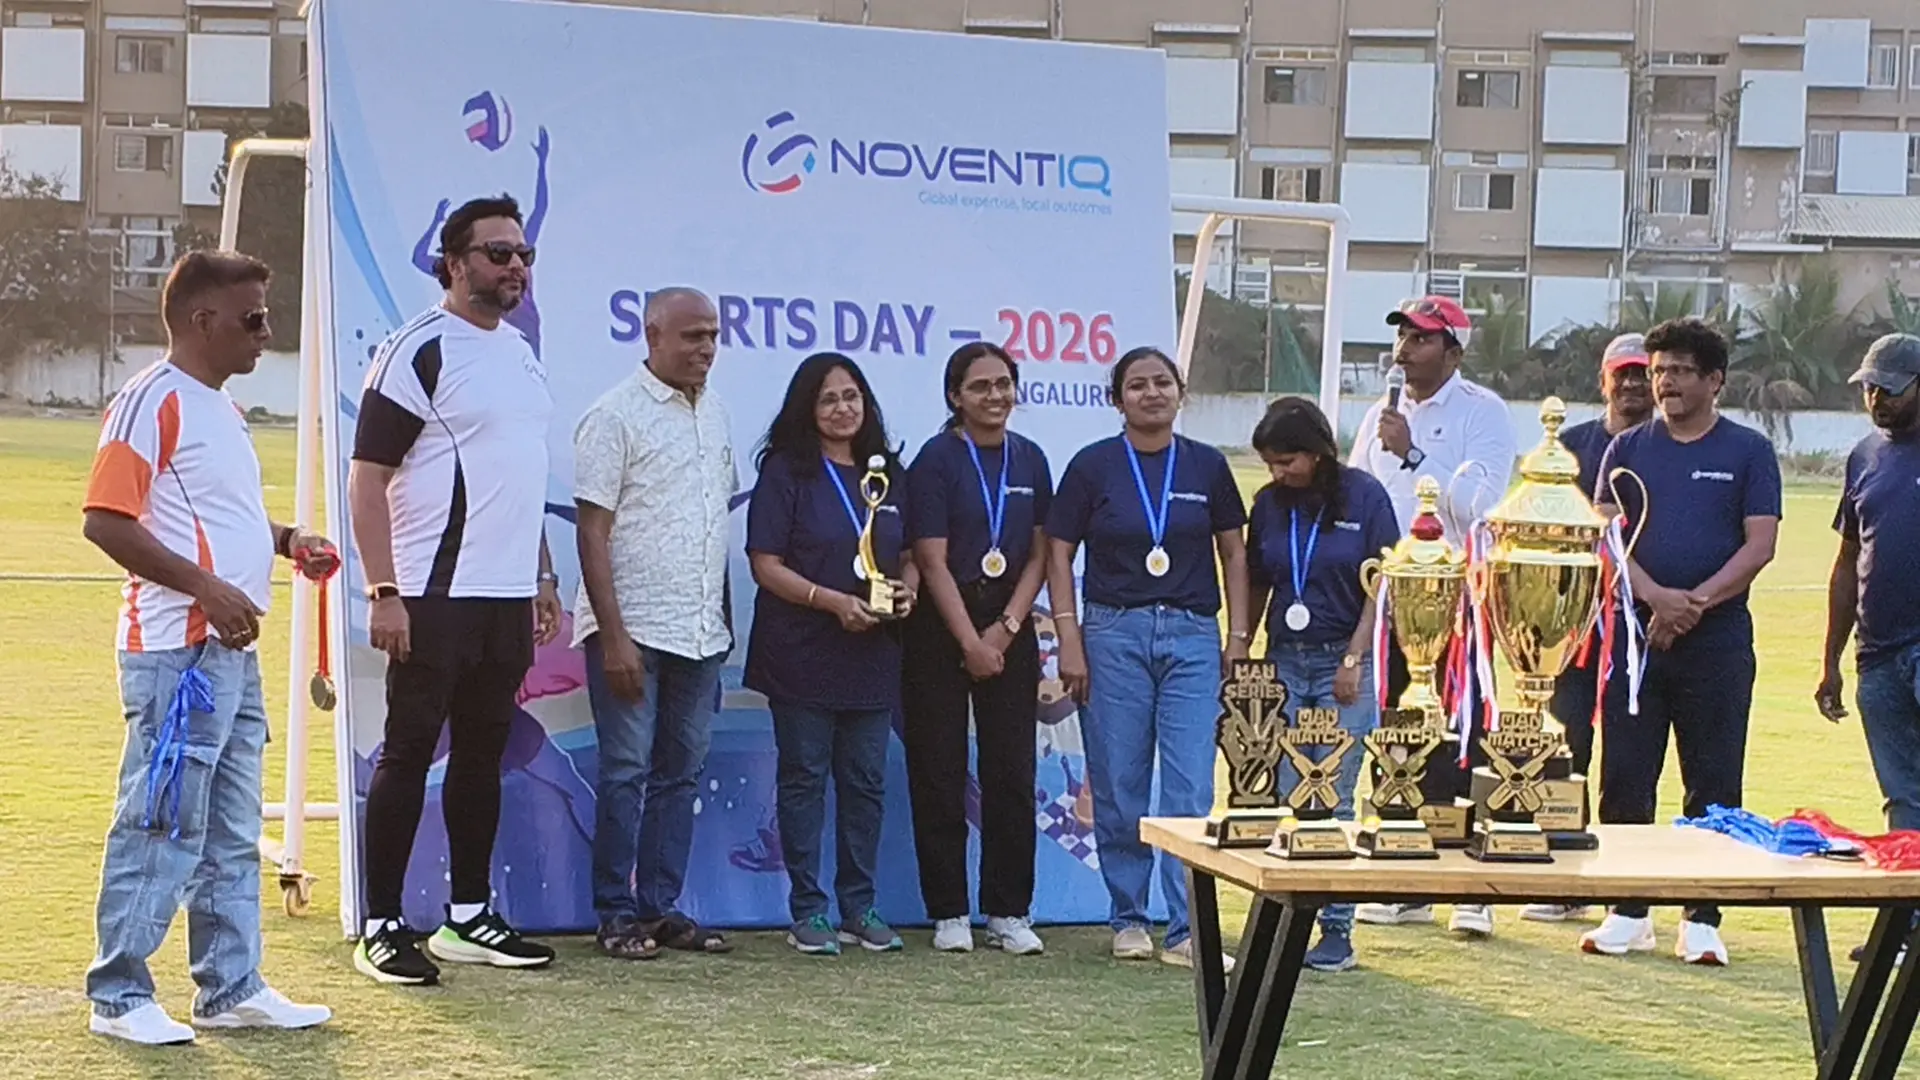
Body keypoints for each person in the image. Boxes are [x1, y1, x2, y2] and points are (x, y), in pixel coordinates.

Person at [81, 250, 334, 1043]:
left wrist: (287, 541)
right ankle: (119, 996)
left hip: (229, 652)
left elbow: (221, 515)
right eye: (253, 318)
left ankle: (230, 988)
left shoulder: (219, 407)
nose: (266, 332)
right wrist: (207, 590)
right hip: (177, 653)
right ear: (202, 320)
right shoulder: (150, 401)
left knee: (229, 828)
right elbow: (105, 519)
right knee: (160, 821)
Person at [348, 195, 563, 985]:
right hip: (432, 593)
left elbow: (522, 472)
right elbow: (367, 480)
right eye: (499, 253)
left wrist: (542, 576)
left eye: (523, 254)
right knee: (409, 752)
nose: (516, 267)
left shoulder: (521, 351)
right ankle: (382, 924)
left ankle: (467, 916)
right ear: (454, 263)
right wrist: (383, 591)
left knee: (482, 753)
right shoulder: (418, 350)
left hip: (506, 598)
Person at [1580, 316, 1781, 966]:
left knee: (1713, 782)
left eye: (1680, 372)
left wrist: (1693, 605)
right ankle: (1627, 910)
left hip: (1716, 642)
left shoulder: (1748, 450)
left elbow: (1759, 545)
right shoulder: (1626, 448)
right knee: (1625, 778)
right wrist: (1656, 598)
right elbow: (1607, 537)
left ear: (1714, 380)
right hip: (1636, 641)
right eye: (1658, 371)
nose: (1664, 382)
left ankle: (1702, 918)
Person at [1046, 346, 1251, 969]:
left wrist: (1239, 639)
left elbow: (1234, 554)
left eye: (1163, 382)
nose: (1151, 393)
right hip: (1114, 634)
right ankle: (1129, 917)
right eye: (1137, 385)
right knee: (1119, 782)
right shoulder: (1093, 466)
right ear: (1118, 399)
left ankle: (1188, 929)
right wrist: (1069, 637)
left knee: (1190, 787)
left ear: (1180, 393)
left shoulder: (1208, 465)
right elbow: (1058, 553)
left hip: (1192, 635)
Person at [573, 287, 735, 960]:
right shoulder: (613, 416)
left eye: (713, 336)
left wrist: (720, 619)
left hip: (700, 632)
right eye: (692, 336)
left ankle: (659, 907)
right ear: (653, 336)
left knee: (680, 774)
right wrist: (613, 637)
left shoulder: (715, 411)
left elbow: (713, 522)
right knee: (626, 772)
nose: (706, 348)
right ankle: (615, 913)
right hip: (632, 630)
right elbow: (591, 531)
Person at [1350, 295, 1515, 939]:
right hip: (1390, 595)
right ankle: (1406, 877)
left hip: (1455, 597)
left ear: (1453, 350)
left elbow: (1483, 508)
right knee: (1396, 731)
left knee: (1461, 732)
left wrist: (1415, 454)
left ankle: (1472, 885)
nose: (1405, 349)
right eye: (1402, 336)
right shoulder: (1380, 412)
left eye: (1421, 338)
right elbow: (1358, 493)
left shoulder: (1483, 411)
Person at [745, 352, 919, 956]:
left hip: (872, 653)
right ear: (807, 408)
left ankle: (859, 907)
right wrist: (831, 601)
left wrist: (908, 591)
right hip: (802, 650)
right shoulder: (786, 472)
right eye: (828, 399)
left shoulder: (886, 473)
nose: (843, 408)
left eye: (852, 396)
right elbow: (765, 564)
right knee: (805, 780)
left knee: (866, 782)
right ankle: (808, 910)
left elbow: (910, 553)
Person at [903, 343, 1052, 956]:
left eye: (1004, 384)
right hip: (942, 625)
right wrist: (969, 639)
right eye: (980, 386)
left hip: (1009, 625)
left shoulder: (1031, 457)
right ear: (955, 396)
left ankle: (1008, 910)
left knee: (1012, 771)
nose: (995, 396)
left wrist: (1006, 628)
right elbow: (930, 559)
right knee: (938, 768)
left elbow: (1042, 553)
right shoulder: (936, 459)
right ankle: (949, 911)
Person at [1245, 397, 1399, 973]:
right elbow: (1257, 579)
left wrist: (1355, 657)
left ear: (1316, 453)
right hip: (1284, 658)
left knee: (1332, 790)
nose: (1278, 472)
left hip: (1344, 659)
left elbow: (1382, 585)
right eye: (1270, 463)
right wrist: (1243, 651)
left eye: (1287, 461)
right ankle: (1285, 922)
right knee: (1284, 789)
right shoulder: (1268, 505)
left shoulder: (1366, 496)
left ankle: (1337, 930)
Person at [1521, 331, 1654, 926]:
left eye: (1642, 373)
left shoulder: (1664, 448)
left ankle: (1626, 895)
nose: (1632, 384)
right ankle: (1565, 882)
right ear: (1603, 380)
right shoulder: (1570, 448)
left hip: (1637, 631)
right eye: (1622, 374)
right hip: (1570, 631)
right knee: (1564, 750)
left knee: (1628, 764)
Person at [1818, 333, 1920, 960]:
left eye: (1890, 389)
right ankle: (1905, 928)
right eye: (1869, 388)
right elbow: (1847, 559)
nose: (1876, 399)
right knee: (1903, 796)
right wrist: (1830, 659)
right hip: (1878, 656)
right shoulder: (1865, 456)